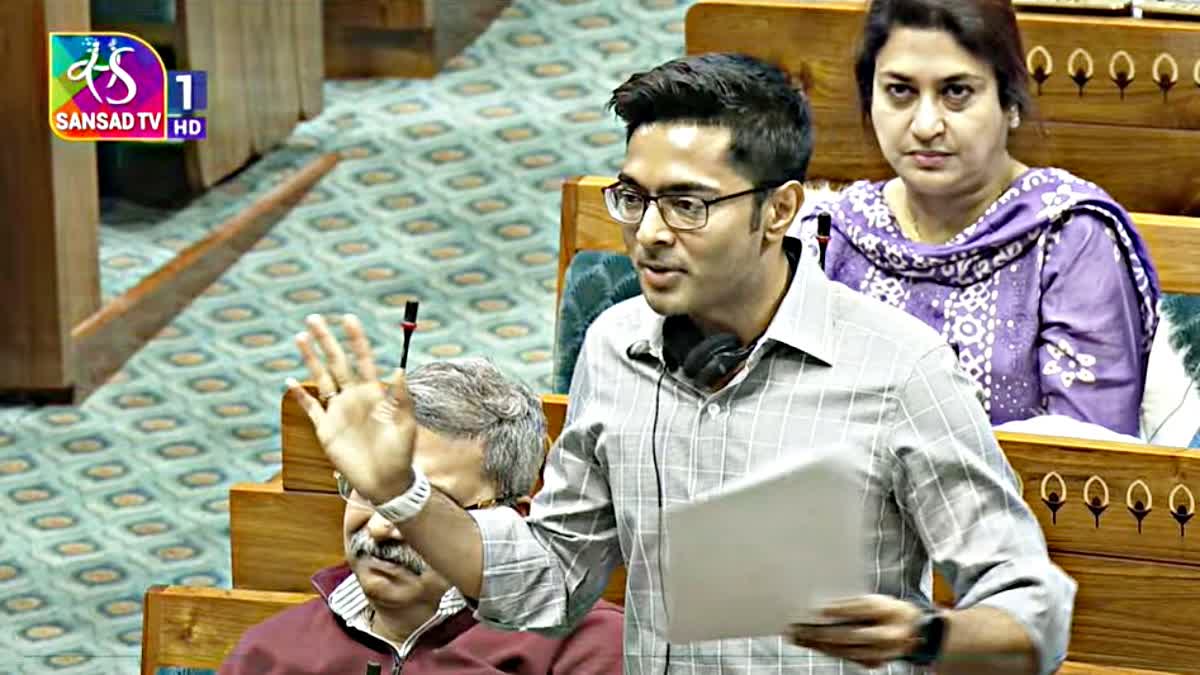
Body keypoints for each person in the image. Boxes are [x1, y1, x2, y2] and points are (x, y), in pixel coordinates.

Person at [288, 54, 1075, 674]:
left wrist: (928, 635)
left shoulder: (899, 370)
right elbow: (552, 578)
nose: (651, 234)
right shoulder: (613, 346)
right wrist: (401, 492)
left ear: (779, 209)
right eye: (635, 198)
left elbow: (1033, 615)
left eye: (689, 205)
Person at [796, 0, 1160, 437]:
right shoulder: (830, 234)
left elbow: (1087, 455)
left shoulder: (1067, 236)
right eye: (900, 91)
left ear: (1010, 103)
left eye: (956, 92)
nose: (926, 125)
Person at [221, 356, 624, 675]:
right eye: (371, 491)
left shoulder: (591, 648)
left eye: (421, 504)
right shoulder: (270, 652)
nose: (381, 527)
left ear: (511, 521)